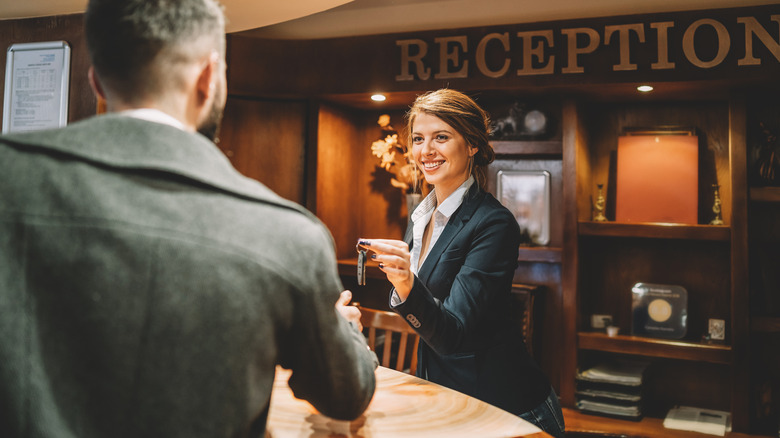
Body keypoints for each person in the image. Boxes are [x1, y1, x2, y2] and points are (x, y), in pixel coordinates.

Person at [0, 1, 376, 437]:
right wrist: (344, 331)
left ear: (97, 81)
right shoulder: (288, 235)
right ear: (208, 78)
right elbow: (344, 395)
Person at [358, 89, 565, 437]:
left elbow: (451, 333)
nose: (426, 150)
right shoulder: (421, 217)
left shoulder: (493, 224)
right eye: (419, 138)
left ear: (471, 145)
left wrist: (407, 283)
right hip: (448, 399)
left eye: (441, 137)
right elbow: (424, 312)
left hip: (508, 408)